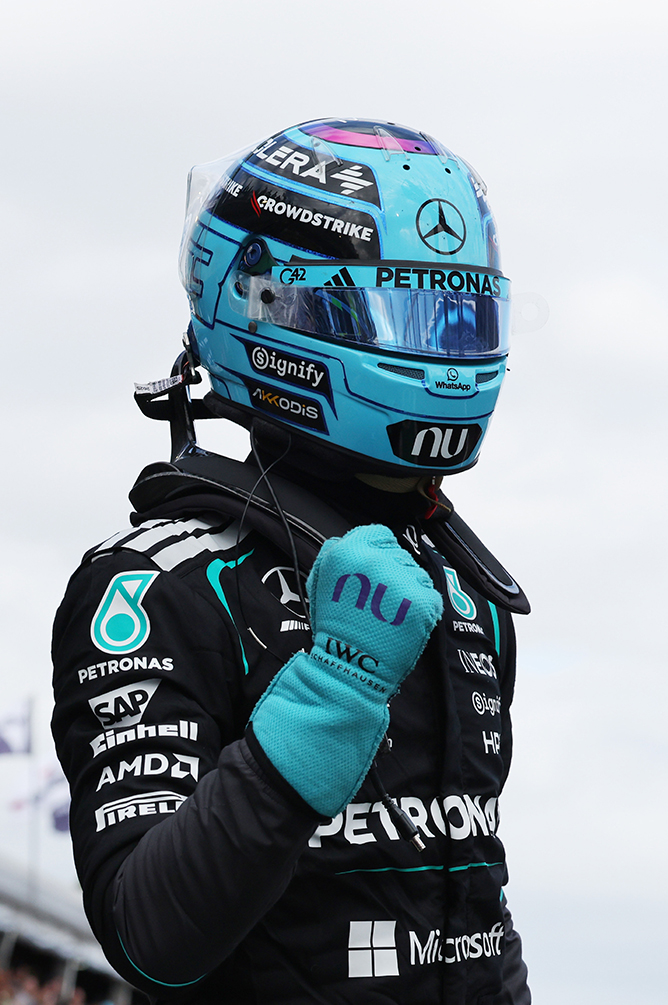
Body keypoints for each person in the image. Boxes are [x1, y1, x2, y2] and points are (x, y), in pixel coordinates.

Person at [52, 118, 532, 1004]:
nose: (448, 350)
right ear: (274, 307)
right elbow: (149, 935)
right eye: (410, 312)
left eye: (462, 315)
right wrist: (334, 690)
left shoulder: (470, 594)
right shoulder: (154, 585)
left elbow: (473, 913)